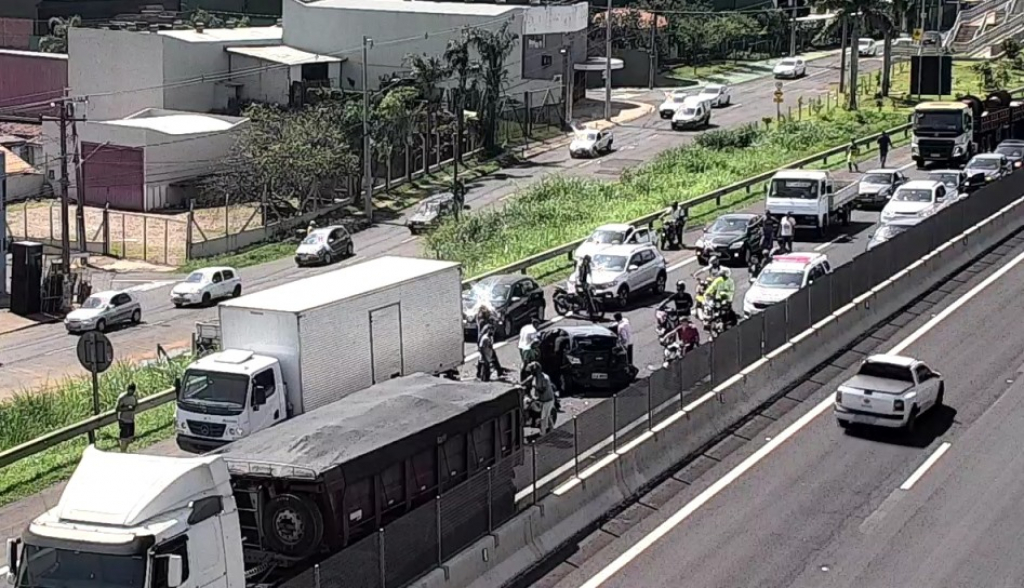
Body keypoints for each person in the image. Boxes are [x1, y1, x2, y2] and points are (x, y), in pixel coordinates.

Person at [523, 362, 556, 434]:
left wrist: (535, 397)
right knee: (548, 415)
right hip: (541, 399)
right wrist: (521, 384)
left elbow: (542, 390)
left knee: (543, 418)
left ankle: (543, 435)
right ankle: (552, 429)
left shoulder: (544, 378)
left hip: (547, 400)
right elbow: (527, 380)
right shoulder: (535, 377)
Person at [116, 383, 138, 453]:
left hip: (131, 420)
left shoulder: (134, 397)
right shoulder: (122, 397)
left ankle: (124, 450)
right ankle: (122, 453)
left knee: (130, 438)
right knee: (124, 439)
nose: (130, 392)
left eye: (132, 391)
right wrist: (127, 408)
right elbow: (117, 409)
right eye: (129, 390)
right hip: (124, 420)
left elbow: (135, 406)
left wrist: (132, 408)